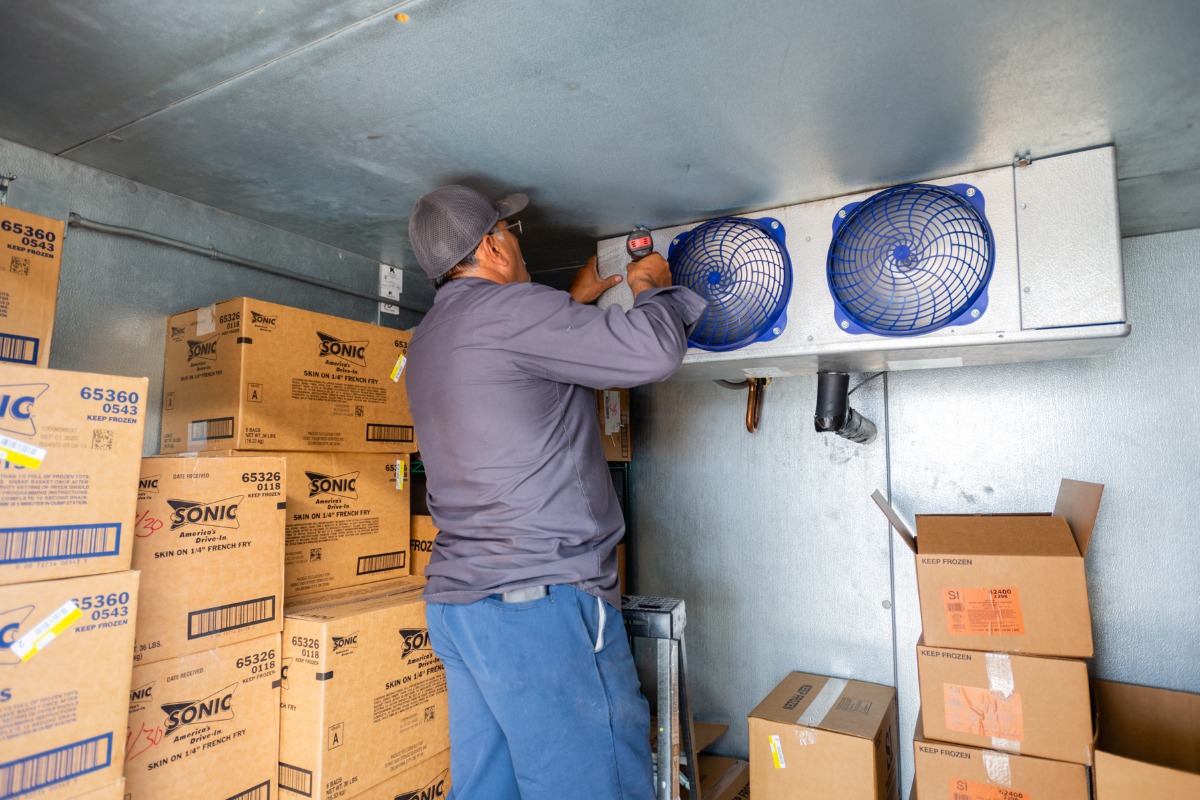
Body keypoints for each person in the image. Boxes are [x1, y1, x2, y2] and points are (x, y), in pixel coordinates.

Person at [404, 184, 706, 800]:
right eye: (512, 232)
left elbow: (520, 371)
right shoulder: (514, 313)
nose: (519, 241)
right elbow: (651, 351)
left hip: (460, 610)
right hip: (538, 610)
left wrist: (578, 298)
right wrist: (652, 286)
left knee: (490, 789)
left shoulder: (428, 339)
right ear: (491, 246)